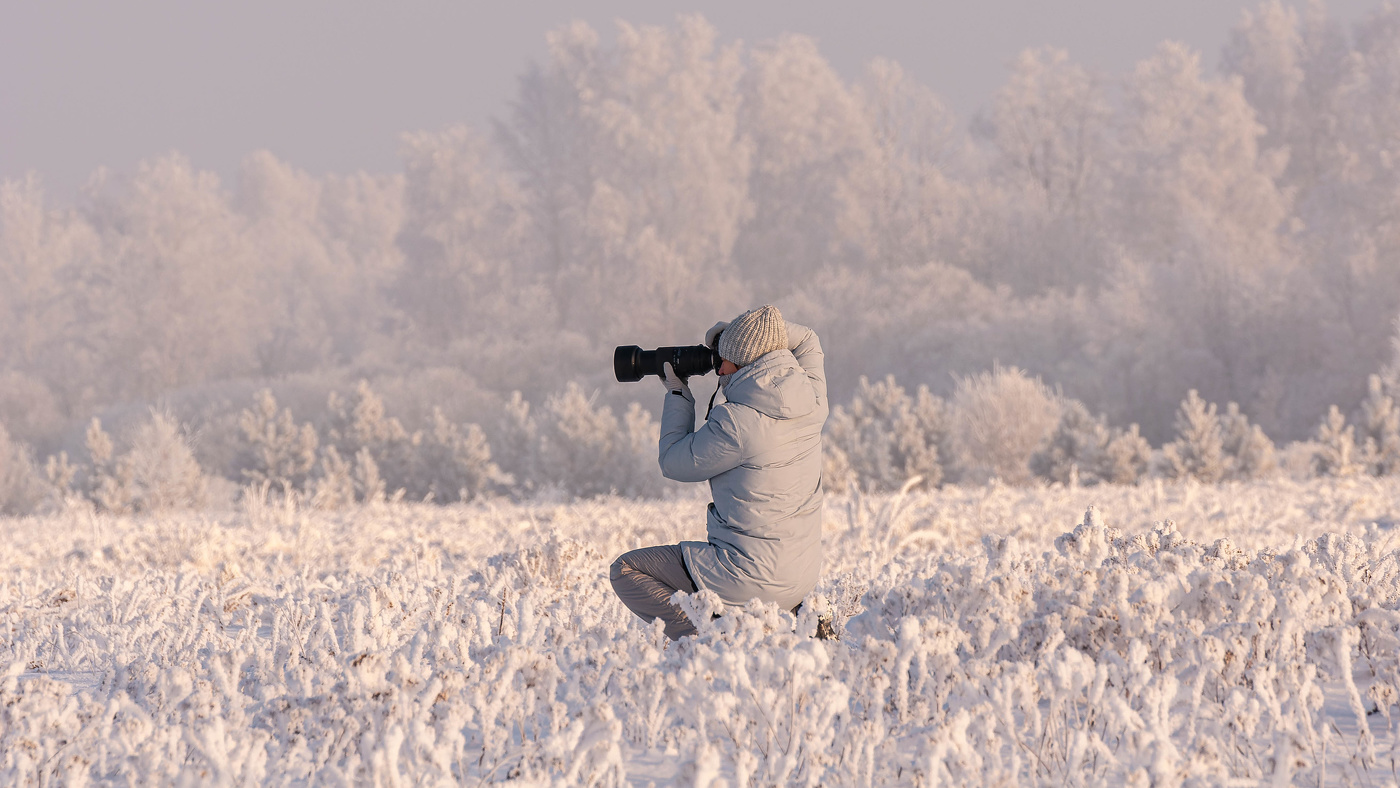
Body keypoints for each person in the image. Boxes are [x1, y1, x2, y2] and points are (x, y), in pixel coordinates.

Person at [609, 304, 828, 639]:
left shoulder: (738, 423)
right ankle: (793, 627)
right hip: (800, 580)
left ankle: (714, 640)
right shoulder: (813, 399)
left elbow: (673, 462)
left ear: (743, 364)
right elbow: (808, 339)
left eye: (723, 360)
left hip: (748, 578)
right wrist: (743, 334)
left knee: (625, 570)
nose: (718, 369)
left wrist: (679, 394)